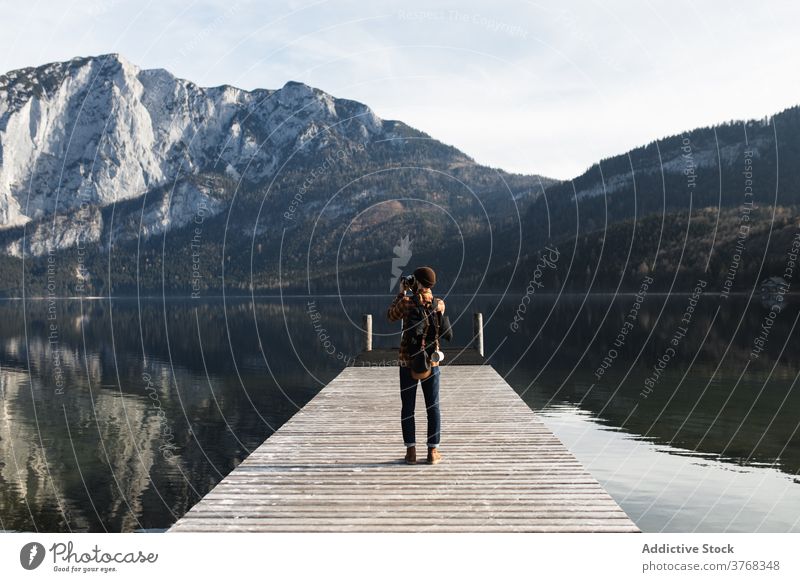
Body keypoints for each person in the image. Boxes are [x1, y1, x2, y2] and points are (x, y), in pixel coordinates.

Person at [386, 266, 446, 465]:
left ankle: (411, 453)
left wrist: (401, 292)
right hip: (432, 360)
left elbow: (390, 316)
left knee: (408, 408)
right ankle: (432, 452)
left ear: (417, 282)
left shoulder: (406, 302)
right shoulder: (439, 304)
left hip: (407, 360)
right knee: (433, 406)